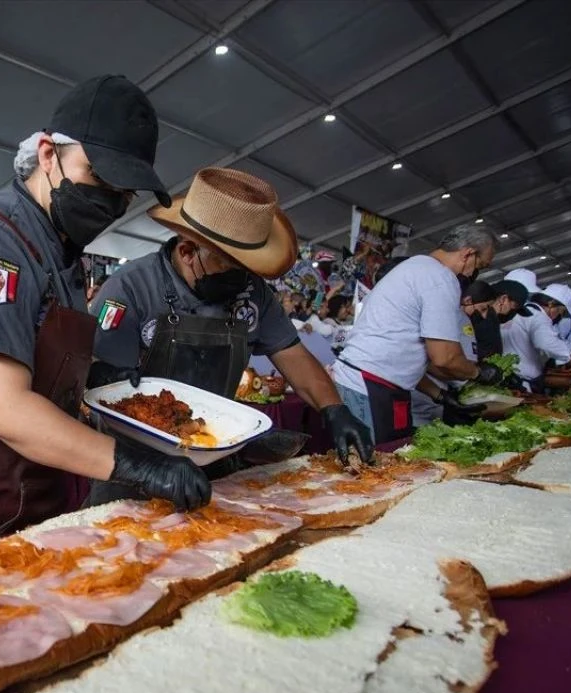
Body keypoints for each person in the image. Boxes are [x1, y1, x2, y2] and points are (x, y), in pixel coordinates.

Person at [0, 74, 207, 561]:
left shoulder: (62, 251)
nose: (110, 199)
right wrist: (138, 466)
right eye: (97, 176)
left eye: (123, 191)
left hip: (16, 491)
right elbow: (4, 408)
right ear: (48, 153)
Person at [88, 167, 372, 503]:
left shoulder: (254, 294)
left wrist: (333, 408)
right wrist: (150, 463)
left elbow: (293, 355)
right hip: (135, 468)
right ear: (187, 251)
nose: (242, 281)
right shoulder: (131, 288)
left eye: (247, 269)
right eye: (227, 265)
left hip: (215, 455)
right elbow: (106, 394)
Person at [333, 224, 507, 443]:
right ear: (468, 254)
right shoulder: (441, 278)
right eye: (479, 266)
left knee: (387, 465)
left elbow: (403, 355)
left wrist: (440, 395)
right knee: (374, 470)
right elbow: (445, 358)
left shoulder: (416, 267)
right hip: (369, 387)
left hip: (373, 383)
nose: (474, 274)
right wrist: (478, 373)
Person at [411, 278, 499, 425]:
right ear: (468, 299)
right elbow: (448, 362)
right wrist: (475, 375)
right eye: (483, 308)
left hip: (426, 394)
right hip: (428, 398)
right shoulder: (458, 317)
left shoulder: (431, 312)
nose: (484, 316)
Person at [494, 273, 571, 393]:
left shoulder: (522, 311)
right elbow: (546, 343)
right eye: (561, 311)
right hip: (521, 383)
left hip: (505, 376)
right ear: (551, 304)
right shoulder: (538, 317)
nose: (560, 316)